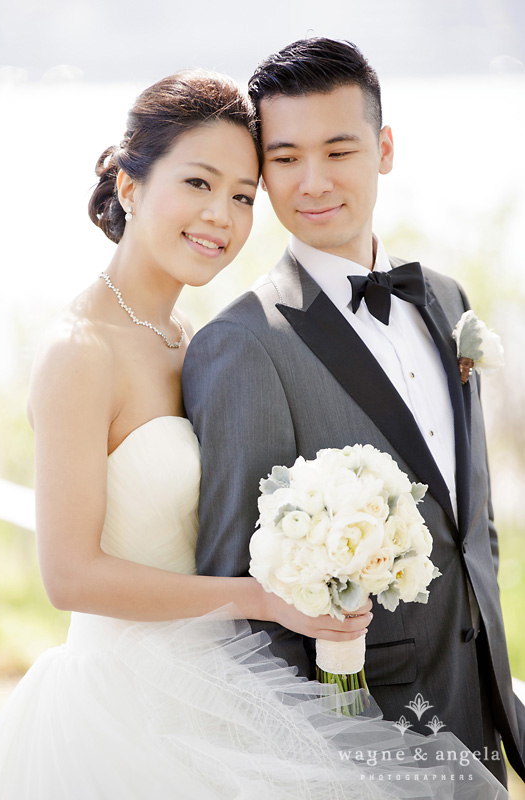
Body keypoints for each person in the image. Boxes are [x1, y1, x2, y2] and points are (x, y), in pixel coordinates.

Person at [0, 67, 506, 799]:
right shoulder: (80, 351)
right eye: (198, 184)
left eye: (241, 196)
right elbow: (68, 578)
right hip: (130, 706)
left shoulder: (186, 333)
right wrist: (261, 598)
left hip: (233, 677)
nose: (221, 218)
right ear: (131, 186)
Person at [182, 37, 525, 789]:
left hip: (484, 699)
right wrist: (326, 760)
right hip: (366, 737)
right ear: (261, 170)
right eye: (284, 158)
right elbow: (238, 602)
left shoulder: (446, 299)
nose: (313, 182)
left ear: (385, 148)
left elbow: (474, 524)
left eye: (339, 150)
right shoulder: (240, 346)